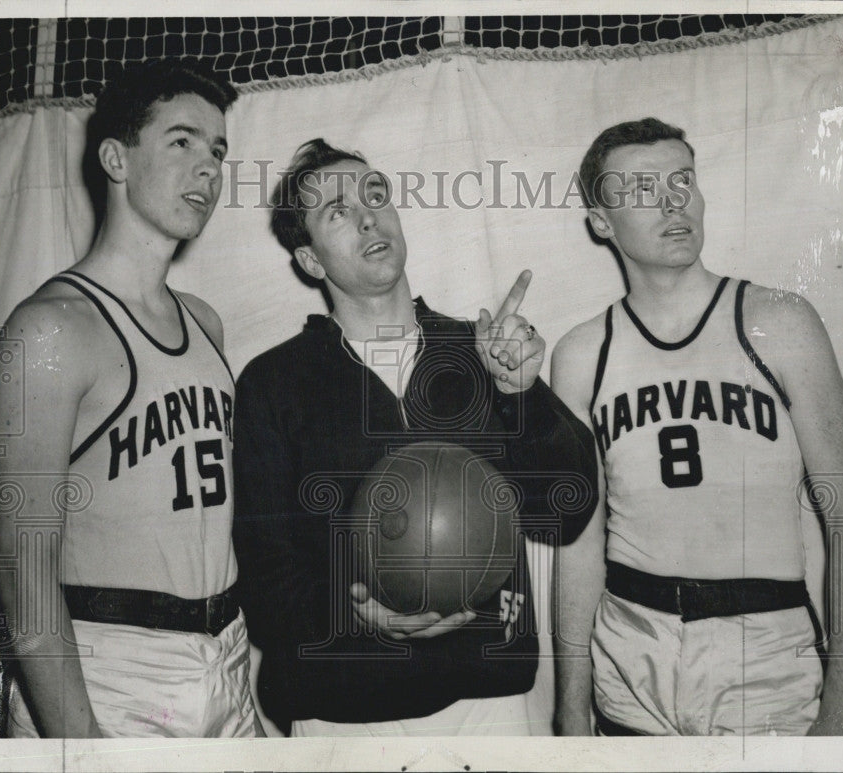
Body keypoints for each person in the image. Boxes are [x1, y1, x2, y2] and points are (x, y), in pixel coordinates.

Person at [232, 138, 598, 736]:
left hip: (486, 710)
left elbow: (569, 512)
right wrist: (357, 614)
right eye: (337, 212)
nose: (367, 216)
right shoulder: (273, 383)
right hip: (343, 720)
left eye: (375, 195)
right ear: (311, 261)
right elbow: (265, 577)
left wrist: (521, 393)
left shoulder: (480, 352)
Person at [551, 117, 843, 736]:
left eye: (683, 179)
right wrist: (570, 706)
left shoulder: (778, 322)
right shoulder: (581, 354)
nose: (674, 200)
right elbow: (579, 546)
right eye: (643, 187)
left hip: (766, 662)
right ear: (602, 221)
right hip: (629, 661)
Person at [0, 59, 260, 738]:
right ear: (115, 158)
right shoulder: (49, 330)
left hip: (226, 657)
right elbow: (25, 583)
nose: (209, 168)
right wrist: (80, 744)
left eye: (218, 151)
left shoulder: (205, 321)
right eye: (182, 141)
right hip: (110, 671)